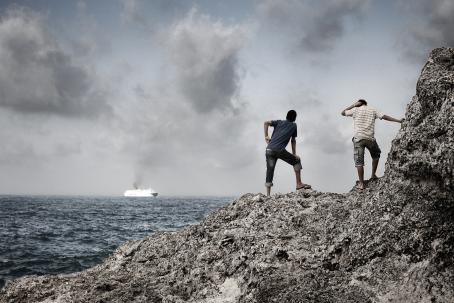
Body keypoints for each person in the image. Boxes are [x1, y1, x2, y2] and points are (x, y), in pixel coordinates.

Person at [341, 99, 403, 190]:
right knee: (376, 155)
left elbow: (343, 113)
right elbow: (385, 117)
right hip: (370, 139)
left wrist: (354, 105)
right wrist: (398, 121)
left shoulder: (355, 109)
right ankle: (373, 174)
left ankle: (361, 184)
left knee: (359, 162)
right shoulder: (373, 110)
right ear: (366, 104)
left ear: (359, 104)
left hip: (358, 139)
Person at [264, 110, 311, 196]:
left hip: (269, 150)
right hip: (279, 150)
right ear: (295, 118)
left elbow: (266, 123)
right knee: (296, 161)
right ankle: (299, 184)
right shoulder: (293, 125)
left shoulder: (279, 122)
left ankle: (268, 195)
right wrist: (294, 154)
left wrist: (266, 136)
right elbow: (293, 141)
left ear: (286, 116)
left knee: (270, 170)